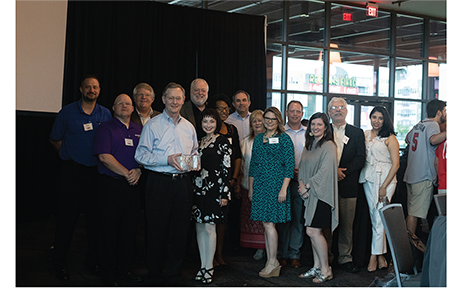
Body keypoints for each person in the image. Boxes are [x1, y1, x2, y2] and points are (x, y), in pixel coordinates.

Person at [134, 82, 199, 286]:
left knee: (180, 231)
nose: (174, 102)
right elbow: (140, 155)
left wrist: (195, 162)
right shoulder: (152, 125)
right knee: (156, 230)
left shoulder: (189, 127)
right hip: (158, 183)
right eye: (170, 98)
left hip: (183, 185)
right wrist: (166, 160)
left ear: (183, 100)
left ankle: (173, 274)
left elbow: (195, 151)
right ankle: (154, 274)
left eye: (178, 98)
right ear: (163, 99)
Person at [49, 75, 111, 281]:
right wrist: (67, 156)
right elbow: (55, 139)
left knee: (95, 222)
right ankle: (59, 263)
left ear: (99, 90)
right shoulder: (67, 112)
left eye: (95, 87)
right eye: (88, 87)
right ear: (81, 89)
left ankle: (92, 261)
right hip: (72, 173)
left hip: (97, 173)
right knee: (66, 220)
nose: (91, 90)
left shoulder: (105, 114)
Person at [93, 94, 143, 286]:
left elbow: (145, 154)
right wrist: (127, 173)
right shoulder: (105, 128)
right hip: (110, 186)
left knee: (129, 231)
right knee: (107, 230)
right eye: (120, 103)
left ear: (133, 108)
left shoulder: (140, 130)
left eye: (128, 103)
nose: (124, 106)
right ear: (113, 108)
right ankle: (108, 273)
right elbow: (104, 157)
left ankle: (125, 270)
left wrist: (138, 170)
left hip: (132, 187)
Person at [248, 107, 295, 278]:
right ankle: (271, 261)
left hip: (276, 186)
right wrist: (251, 188)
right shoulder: (259, 138)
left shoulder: (284, 139)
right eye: (266, 118)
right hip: (260, 185)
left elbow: (289, 166)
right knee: (266, 224)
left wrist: (284, 189)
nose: (268, 121)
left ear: (279, 121)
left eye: (273, 119)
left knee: (269, 224)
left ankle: (273, 261)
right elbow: (253, 164)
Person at [192, 108, 232, 284]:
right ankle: (203, 265)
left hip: (215, 190)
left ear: (217, 123)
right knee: (199, 228)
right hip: (198, 190)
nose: (208, 125)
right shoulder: (198, 141)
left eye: (212, 121)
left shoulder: (223, 141)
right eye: (205, 121)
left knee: (210, 228)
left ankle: (209, 267)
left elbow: (226, 170)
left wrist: (224, 193)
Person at [297, 112, 338, 284]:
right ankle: (316, 266)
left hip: (321, 195)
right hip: (308, 195)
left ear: (326, 127)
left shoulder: (329, 145)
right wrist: (301, 186)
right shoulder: (309, 144)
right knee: (311, 231)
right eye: (313, 124)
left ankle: (326, 269)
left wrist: (307, 186)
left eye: (319, 124)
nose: (315, 127)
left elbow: (326, 172)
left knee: (313, 231)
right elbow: (302, 167)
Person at [358, 106, 400, 272]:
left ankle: (373, 256)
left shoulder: (390, 138)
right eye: (374, 117)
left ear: (385, 120)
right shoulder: (366, 134)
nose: (376, 121)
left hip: (386, 179)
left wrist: (384, 186)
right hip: (369, 178)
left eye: (380, 118)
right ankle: (382, 256)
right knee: (374, 216)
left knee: (379, 218)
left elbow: (396, 165)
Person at [327, 97, 365, 273]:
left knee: (346, 225)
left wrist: (343, 171)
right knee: (326, 224)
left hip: (348, 184)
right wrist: (332, 171)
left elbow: (360, 158)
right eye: (334, 107)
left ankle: (345, 258)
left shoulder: (356, 132)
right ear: (329, 112)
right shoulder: (322, 129)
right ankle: (325, 257)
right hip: (326, 185)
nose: (338, 110)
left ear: (346, 111)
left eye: (341, 107)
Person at [209, 94, 243, 266]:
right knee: (209, 220)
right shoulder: (207, 128)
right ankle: (209, 256)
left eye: (225, 109)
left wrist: (234, 178)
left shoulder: (232, 129)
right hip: (209, 183)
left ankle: (219, 254)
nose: (223, 111)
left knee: (223, 219)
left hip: (227, 182)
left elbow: (237, 156)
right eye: (219, 108)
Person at [404, 99, 446, 234]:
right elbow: (433, 140)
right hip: (423, 176)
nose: (446, 114)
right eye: (444, 111)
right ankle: (408, 249)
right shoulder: (433, 124)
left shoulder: (419, 124)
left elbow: (407, 138)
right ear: (439, 112)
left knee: (413, 212)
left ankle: (410, 246)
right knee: (414, 214)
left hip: (411, 175)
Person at [277, 100, 306, 269]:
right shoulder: (280, 133)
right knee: (283, 219)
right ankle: (282, 253)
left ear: (302, 114)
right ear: (286, 113)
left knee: (297, 218)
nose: (295, 114)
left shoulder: (308, 133)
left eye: (298, 111)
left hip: (301, 181)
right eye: (292, 111)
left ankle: (295, 254)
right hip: (282, 182)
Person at [239, 110, 266, 260]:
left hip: (265, 187)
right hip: (247, 186)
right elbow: (242, 165)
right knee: (250, 219)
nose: (257, 123)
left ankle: (263, 248)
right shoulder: (245, 142)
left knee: (263, 220)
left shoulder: (269, 141)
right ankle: (253, 246)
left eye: (260, 120)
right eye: (254, 121)